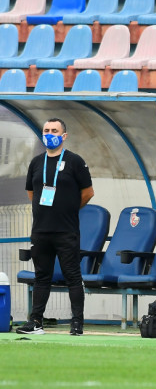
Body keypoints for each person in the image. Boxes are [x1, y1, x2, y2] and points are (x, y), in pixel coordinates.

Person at [18, 118, 94, 336]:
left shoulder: (75, 161)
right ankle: (36, 322)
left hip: (66, 230)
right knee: (41, 276)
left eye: (54, 130)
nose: (50, 133)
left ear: (64, 135)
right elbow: (31, 193)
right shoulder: (36, 162)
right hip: (41, 230)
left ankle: (77, 323)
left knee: (72, 276)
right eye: (46, 130)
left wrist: (68, 209)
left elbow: (88, 192)